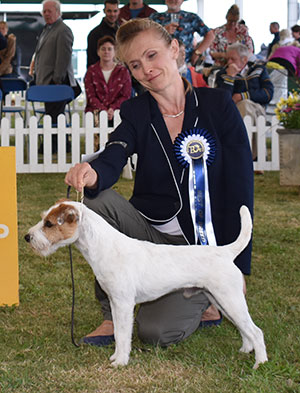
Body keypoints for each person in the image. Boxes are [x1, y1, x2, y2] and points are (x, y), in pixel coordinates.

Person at [65, 19, 253, 348]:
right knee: (94, 204)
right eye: (135, 65)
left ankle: (209, 298)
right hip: (147, 237)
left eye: (152, 56)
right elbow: (116, 150)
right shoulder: (136, 110)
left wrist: (235, 264)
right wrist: (94, 173)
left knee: (156, 333)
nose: (146, 69)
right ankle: (111, 314)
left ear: (175, 49)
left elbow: (240, 186)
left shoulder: (218, 105)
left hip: (198, 249)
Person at [215, 43, 273, 161]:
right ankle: (251, 156)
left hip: (257, 109)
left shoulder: (259, 69)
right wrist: (230, 78)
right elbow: (222, 100)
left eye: (233, 59)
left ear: (244, 59)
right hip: (232, 112)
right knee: (243, 107)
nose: (229, 62)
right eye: (228, 59)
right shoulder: (222, 74)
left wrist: (243, 96)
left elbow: (268, 93)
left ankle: (244, 156)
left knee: (245, 105)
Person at [30, 0, 76, 126]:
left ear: (58, 12)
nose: (46, 14)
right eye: (44, 11)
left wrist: (56, 80)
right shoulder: (47, 29)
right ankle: (54, 144)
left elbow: (63, 58)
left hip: (57, 83)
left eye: (49, 11)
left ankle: (55, 145)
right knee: (52, 118)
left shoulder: (63, 30)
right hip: (47, 82)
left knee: (55, 119)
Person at [84, 35, 132, 126]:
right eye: (103, 49)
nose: (106, 52)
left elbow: (125, 96)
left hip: (118, 111)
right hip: (95, 113)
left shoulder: (123, 71)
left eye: (110, 49)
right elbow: (91, 97)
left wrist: (112, 109)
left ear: (115, 52)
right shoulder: (91, 71)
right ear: (98, 52)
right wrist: (103, 110)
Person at [150, 0, 214, 63]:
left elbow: (210, 35)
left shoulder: (191, 17)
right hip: (160, 62)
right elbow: (147, 38)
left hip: (186, 62)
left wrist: (197, 53)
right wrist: (163, 31)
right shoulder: (155, 17)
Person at [86, 0, 120, 68]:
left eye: (115, 11)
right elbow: (91, 61)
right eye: (109, 11)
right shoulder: (94, 34)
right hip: (100, 75)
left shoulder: (121, 33)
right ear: (104, 11)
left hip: (120, 74)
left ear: (119, 11)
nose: (112, 14)